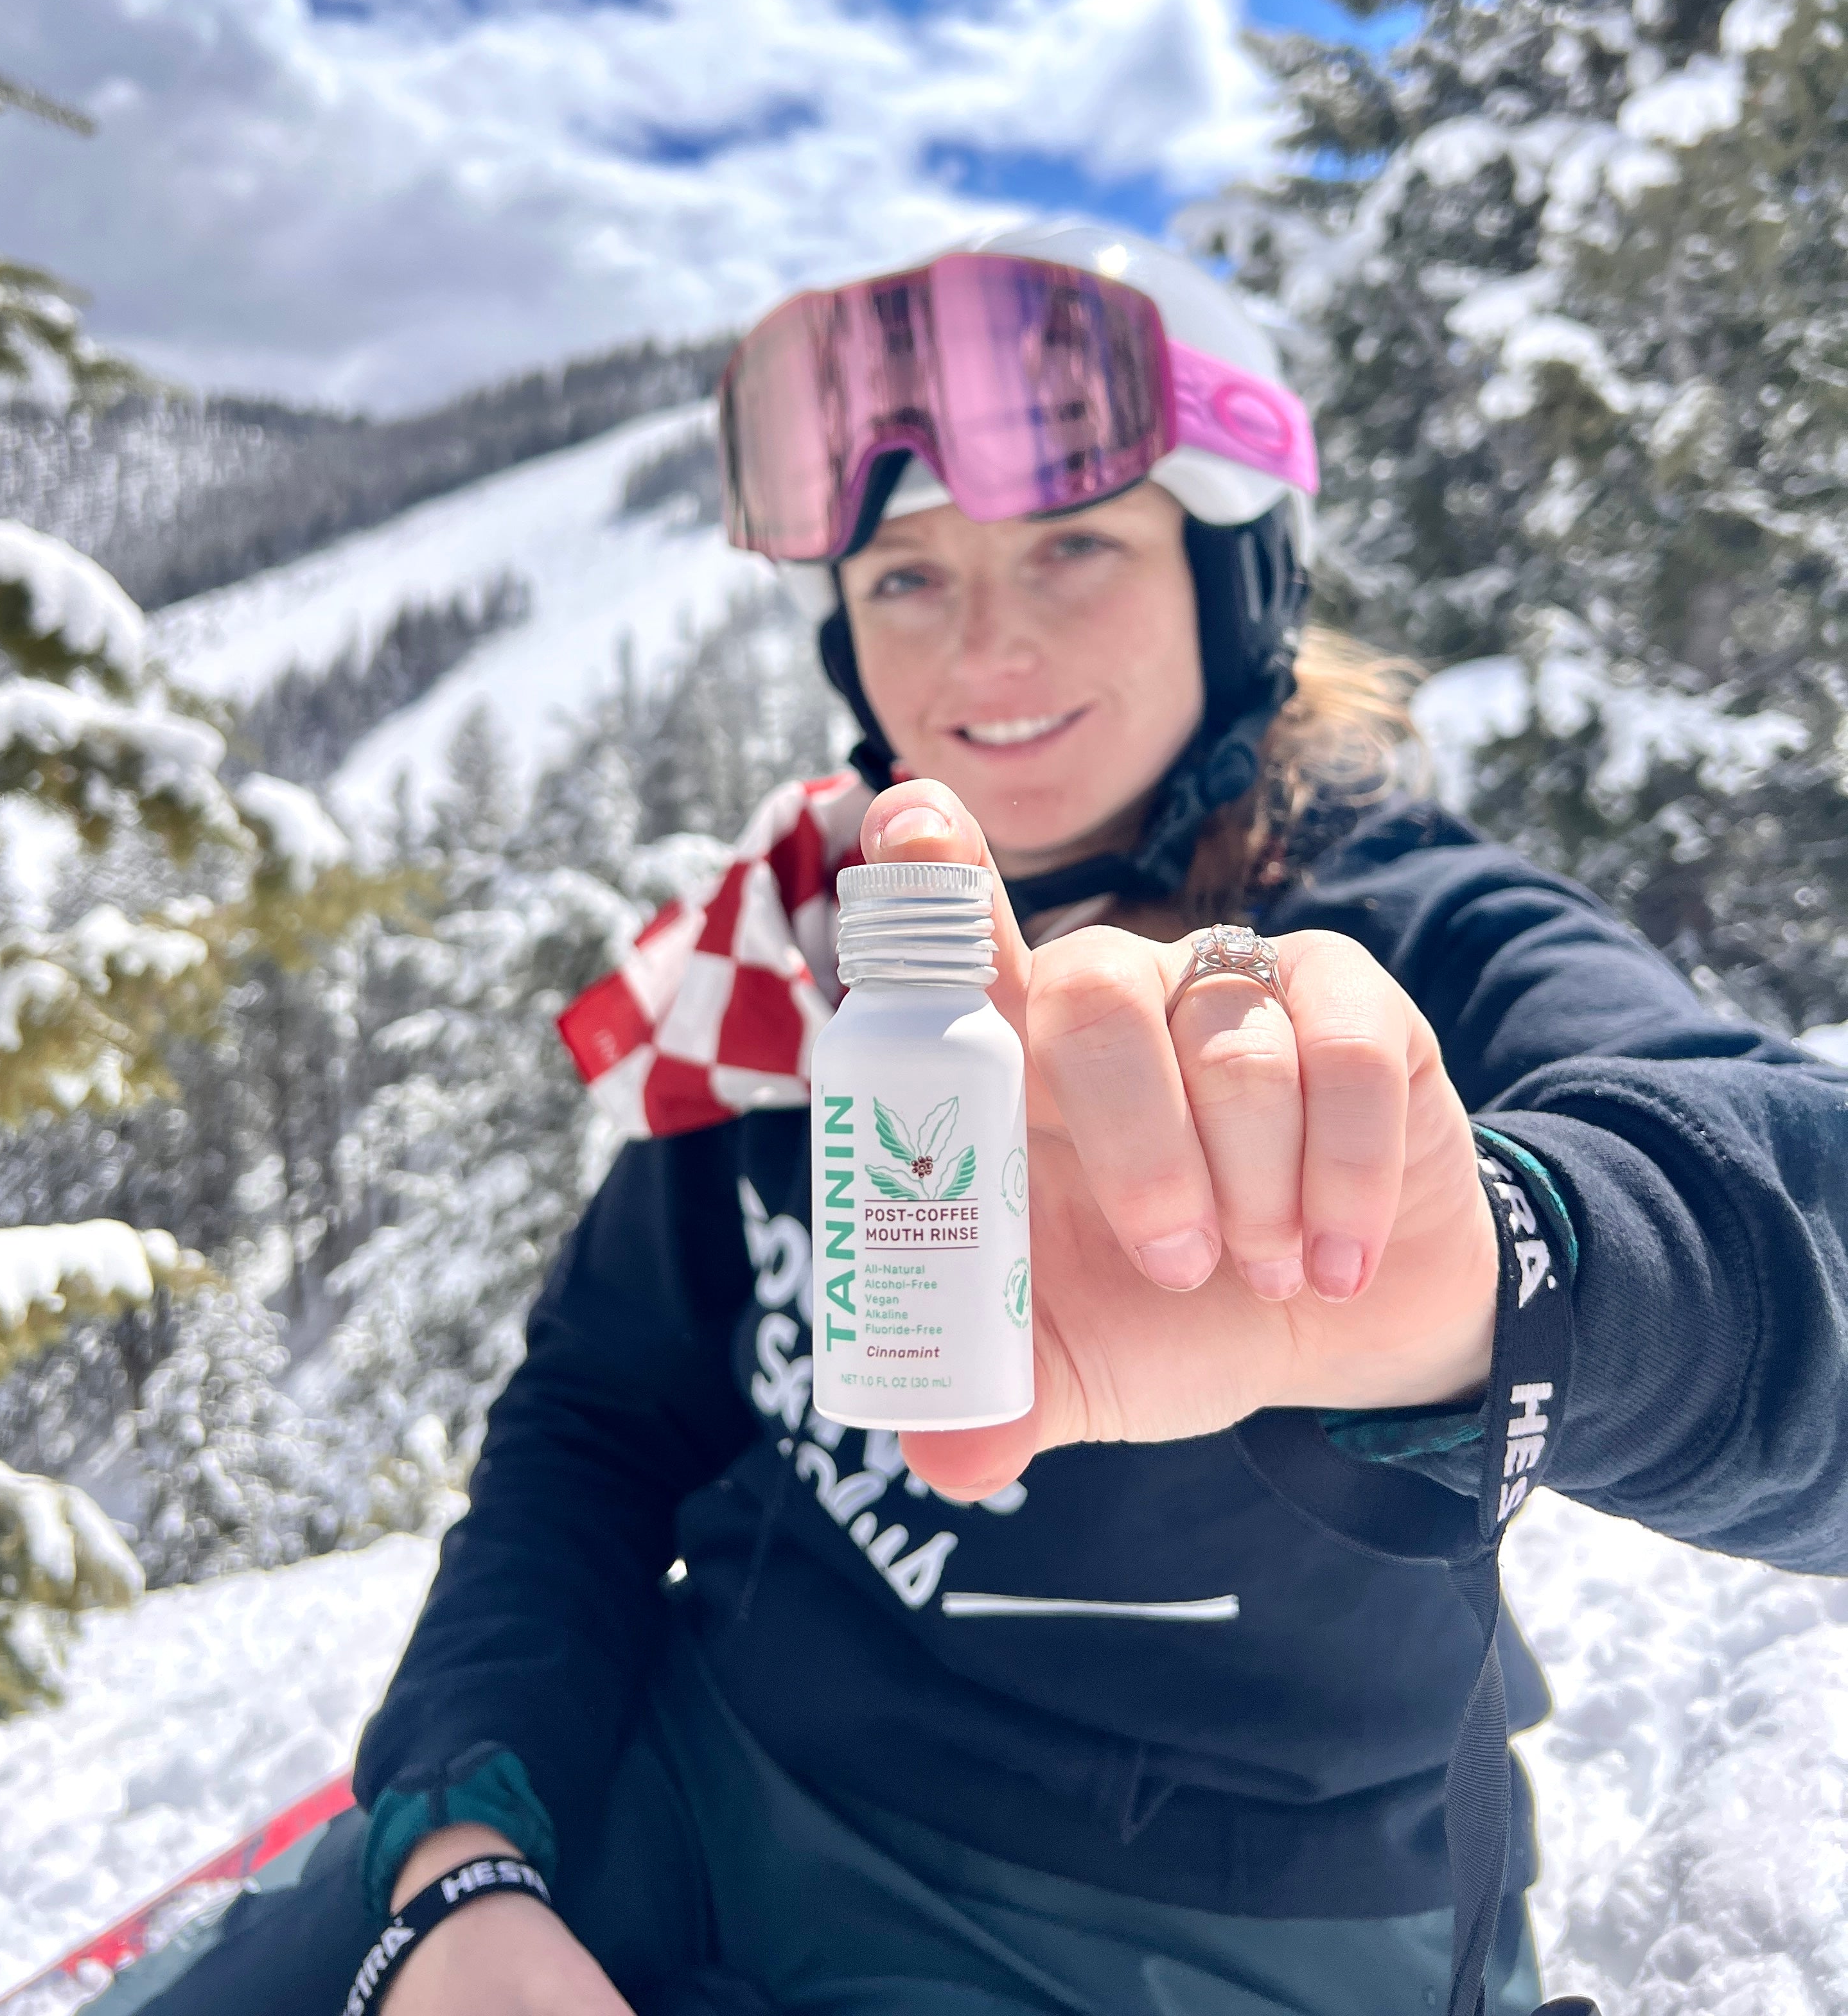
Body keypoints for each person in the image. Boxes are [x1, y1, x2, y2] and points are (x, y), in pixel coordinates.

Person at [130, 223, 1848, 2016]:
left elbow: (1798, 1225)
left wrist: (1499, 1269)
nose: (986, 649)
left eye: (1078, 543)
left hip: (1196, 1920)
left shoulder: (1401, 944)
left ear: (1239, 582)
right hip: (689, 1791)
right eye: (904, 577)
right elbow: (591, 1425)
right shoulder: (809, 957)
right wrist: (460, 1860)